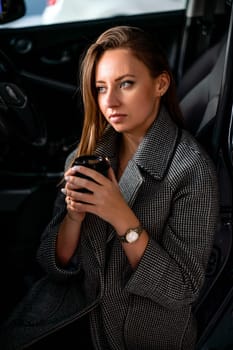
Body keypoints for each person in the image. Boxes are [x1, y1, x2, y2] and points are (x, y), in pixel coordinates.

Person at [0, 25, 219, 350]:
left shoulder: (191, 169)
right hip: (83, 322)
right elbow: (53, 265)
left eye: (125, 84)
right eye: (101, 88)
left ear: (160, 84)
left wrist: (121, 217)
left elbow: (181, 289)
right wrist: (73, 217)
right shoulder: (85, 156)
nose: (110, 101)